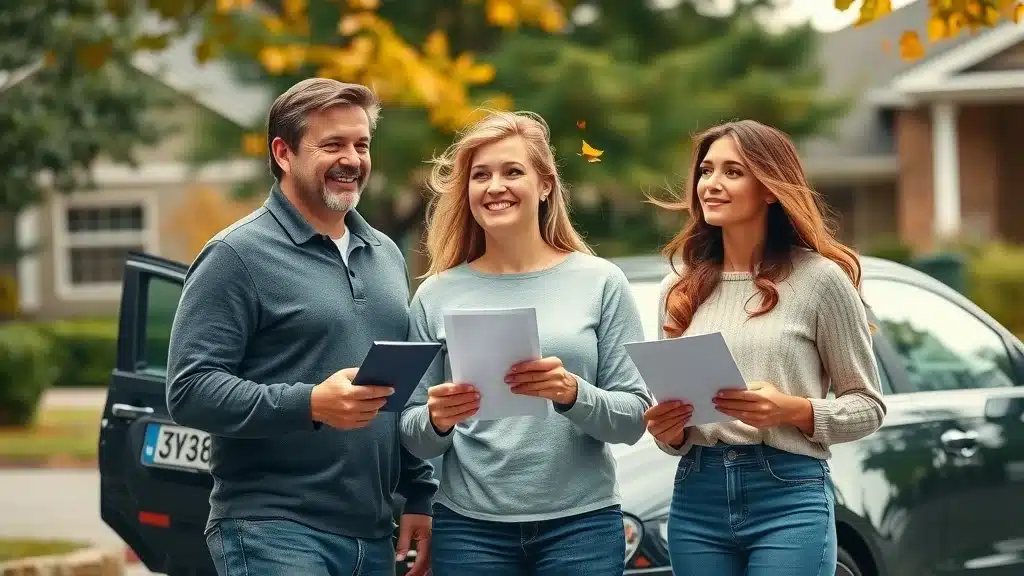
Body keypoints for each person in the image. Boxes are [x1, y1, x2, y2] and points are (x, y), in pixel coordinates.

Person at [166, 78, 437, 576]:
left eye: (361, 144)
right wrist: (311, 403)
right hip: (271, 528)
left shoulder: (384, 255)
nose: (352, 159)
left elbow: (401, 390)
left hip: (373, 533)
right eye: (332, 144)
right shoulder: (237, 255)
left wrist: (420, 492)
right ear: (283, 153)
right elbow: (189, 390)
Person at [398, 110, 653, 575]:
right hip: (469, 530)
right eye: (481, 175)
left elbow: (635, 419)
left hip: (582, 528)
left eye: (513, 171)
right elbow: (411, 434)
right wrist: (436, 419)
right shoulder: (435, 294)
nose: (495, 186)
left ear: (546, 185)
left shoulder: (600, 282)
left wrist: (572, 393)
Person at [642, 120, 886, 576]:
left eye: (733, 172)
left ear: (770, 189)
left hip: (787, 492)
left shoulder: (819, 281)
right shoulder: (676, 288)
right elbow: (676, 432)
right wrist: (668, 430)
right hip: (698, 494)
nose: (711, 184)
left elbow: (868, 407)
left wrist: (789, 409)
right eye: (706, 171)